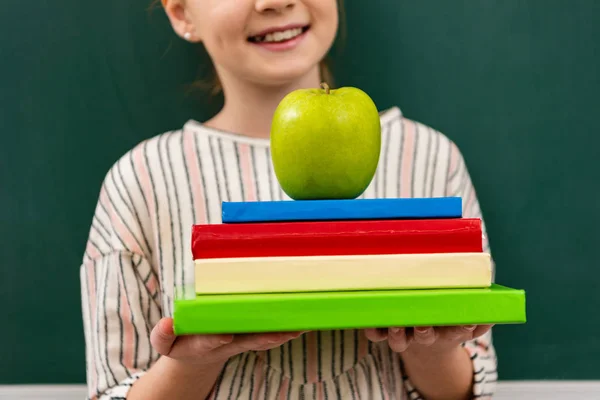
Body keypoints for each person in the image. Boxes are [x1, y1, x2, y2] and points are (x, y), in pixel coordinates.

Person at [79, 0, 498, 399]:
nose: (274, 2)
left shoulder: (428, 158)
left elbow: (468, 386)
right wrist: (192, 363)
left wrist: (429, 347)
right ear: (182, 13)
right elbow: (114, 389)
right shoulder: (143, 179)